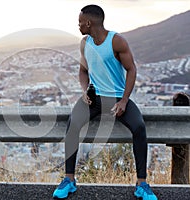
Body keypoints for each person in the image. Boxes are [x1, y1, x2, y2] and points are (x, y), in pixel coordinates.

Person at [52, 4, 158, 200]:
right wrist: (84, 92)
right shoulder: (85, 43)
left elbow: (132, 70)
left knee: (139, 127)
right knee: (73, 124)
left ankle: (142, 184)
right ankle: (69, 180)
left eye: (80, 22)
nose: (78, 25)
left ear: (89, 22)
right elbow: (83, 71)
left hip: (118, 97)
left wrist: (125, 100)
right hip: (94, 97)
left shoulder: (117, 41)